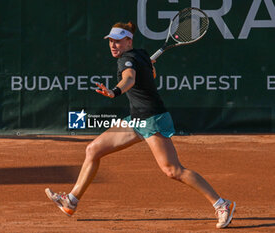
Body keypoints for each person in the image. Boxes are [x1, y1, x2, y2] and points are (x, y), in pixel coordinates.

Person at [45, 21, 236, 229]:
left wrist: (115, 91)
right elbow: (150, 74)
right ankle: (71, 201)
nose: (113, 45)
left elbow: (129, 79)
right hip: (136, 119)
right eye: (110, 41)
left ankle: (221, 204)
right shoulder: (141, 54)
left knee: (173, 170)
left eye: (118, 41)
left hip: (152, 119)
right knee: (93, 149)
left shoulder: (127, 60)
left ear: (129, 41)